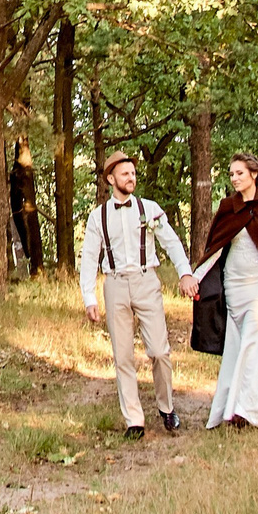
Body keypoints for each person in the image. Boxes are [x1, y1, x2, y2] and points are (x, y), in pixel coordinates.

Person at [180, 153, 258, 430]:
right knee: (238, 345)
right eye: (231, 174)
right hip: (234, 285)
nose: (234, 178)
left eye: (239, 173)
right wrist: (194, 276)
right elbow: (215, 247)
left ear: (254, 174)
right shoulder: (228, 206)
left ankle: (243, 411)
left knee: (253, 338)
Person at [78, 154, 194, 438]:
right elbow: (89, 258)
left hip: (146, 281)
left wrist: (185, 272)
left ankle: (167, 407)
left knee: (159, 351)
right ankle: (134, 420)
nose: (131, 178)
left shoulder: (149, 209)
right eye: (125, 174)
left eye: (133, 173)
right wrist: (89, 297)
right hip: (115, 284)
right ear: (111, 179)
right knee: (123, 356)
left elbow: (171, 242)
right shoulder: (98, 217)